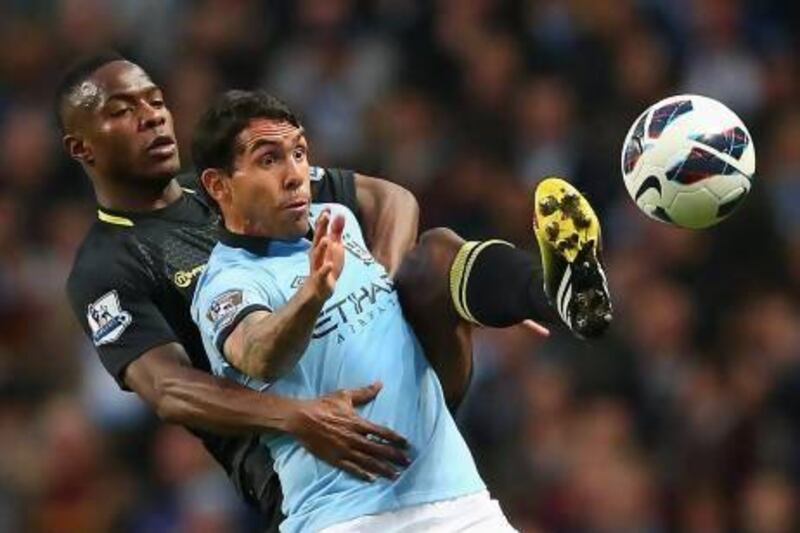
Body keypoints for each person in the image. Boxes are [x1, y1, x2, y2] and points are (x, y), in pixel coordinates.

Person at [189, 90, 612, 532]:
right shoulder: (228, 282)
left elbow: (396, 198)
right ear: (219, 185)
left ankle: (553, 294)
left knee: (436, 254)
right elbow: (257, 352)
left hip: (460, 501)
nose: (295, 174)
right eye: (269, 160)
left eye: (298, 153)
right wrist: (313, 295)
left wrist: (478, 296)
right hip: (349, 517)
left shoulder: (337, 219)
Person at [58, 51, 441, 529]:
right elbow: (169, 388)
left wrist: (382, 282)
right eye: (121, 111)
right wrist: (296, 417)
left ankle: (544, 295)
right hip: (294, 460)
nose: (151, 116)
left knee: (441, 261)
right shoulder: (107, 266)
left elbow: (389, 198)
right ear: (82, 148)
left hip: (380, 398)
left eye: (155, 101)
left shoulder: (230, 185)